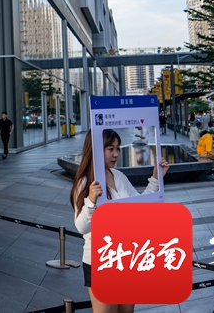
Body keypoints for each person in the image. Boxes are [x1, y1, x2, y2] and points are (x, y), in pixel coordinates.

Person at [71, 129, 170, 312]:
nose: (116, 154)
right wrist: (91, 201)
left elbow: (140, 206)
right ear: (95, 149)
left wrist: (156, 178)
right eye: (110, 149)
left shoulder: (119, 176)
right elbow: (81, 227)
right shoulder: (85, 183)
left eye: (117, 148)